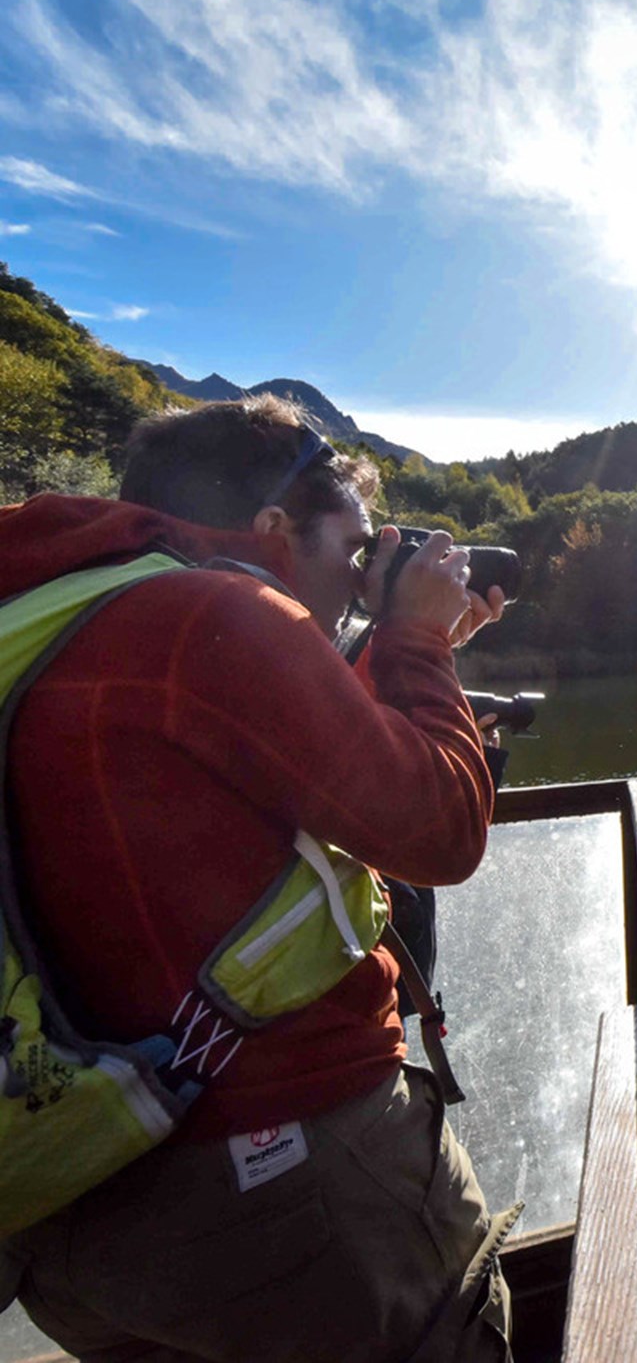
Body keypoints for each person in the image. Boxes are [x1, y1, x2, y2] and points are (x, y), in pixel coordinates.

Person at [0, 398, 512, 1362]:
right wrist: (420, 644)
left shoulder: (65, 603)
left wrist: (404, 656)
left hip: (68, 1193)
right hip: (274, 1180)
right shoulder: (215, 614)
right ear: (274, 528)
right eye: (354, 551)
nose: (360, 582)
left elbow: (240, 773)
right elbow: (440, 830)